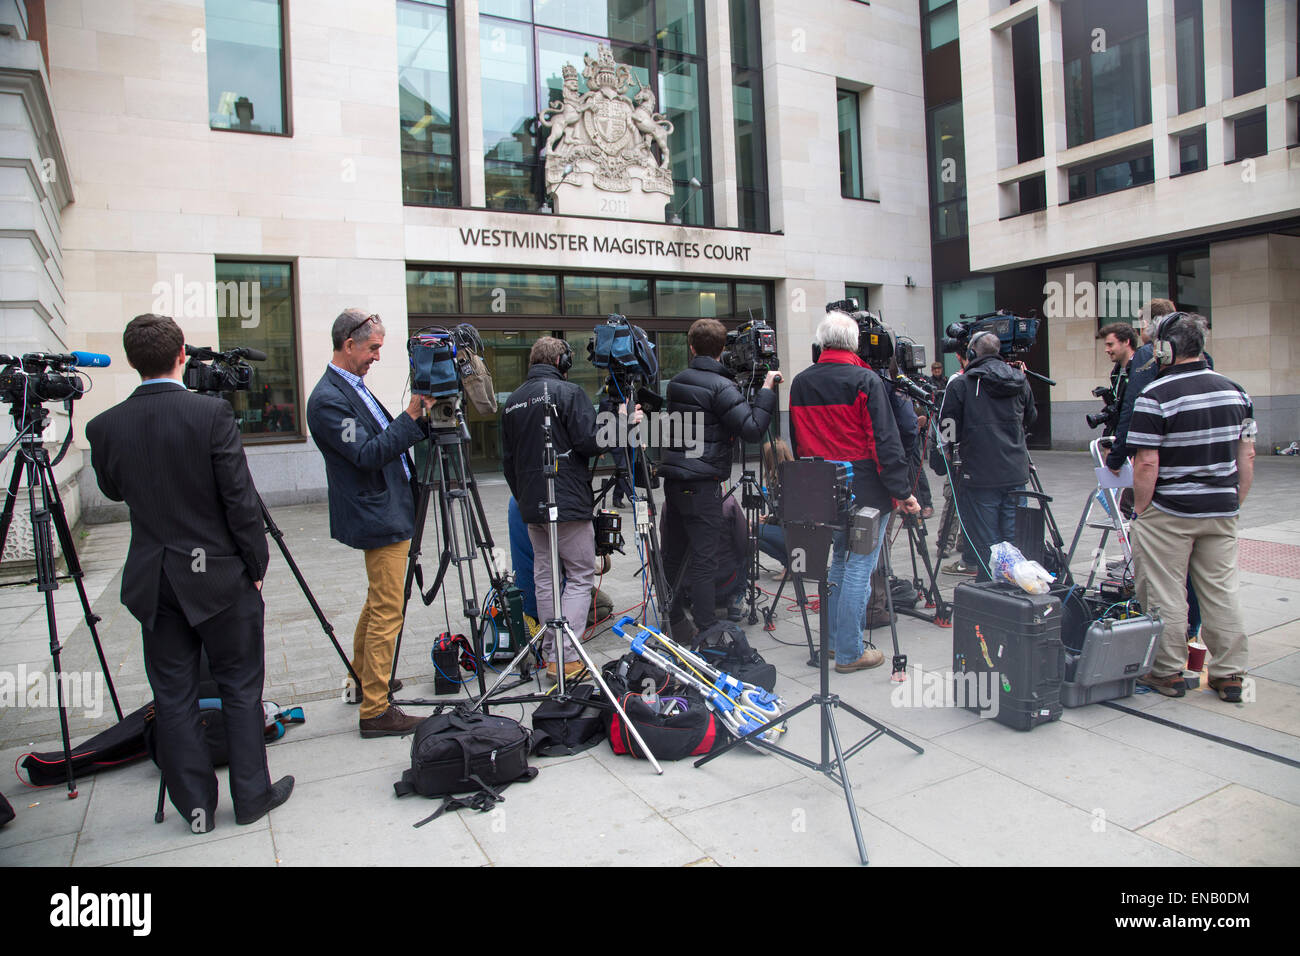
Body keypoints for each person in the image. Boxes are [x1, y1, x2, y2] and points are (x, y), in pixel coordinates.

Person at [86, 314, 292, 831]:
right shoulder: (211, 413)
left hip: (155, 580)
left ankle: (196, 810)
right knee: (241, 686)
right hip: (219, 575)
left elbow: (113, 491)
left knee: (173, 696)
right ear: (182, 352)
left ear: (133, 361)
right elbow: (239, 499)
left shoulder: (104, 425)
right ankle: (251, 798)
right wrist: (256, 563)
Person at [306, 309, 433, 737]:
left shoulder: (350, 388)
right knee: (387, 608)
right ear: (348, 345)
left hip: (387, 506)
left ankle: (364, 681)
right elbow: (366, 454)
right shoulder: (328, 400)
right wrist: (411, 417)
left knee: (377, 600)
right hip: (377, 513)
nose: (377, 356)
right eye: (373, 347)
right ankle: (376, 709)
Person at [1128, 312, 1254, 702]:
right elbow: (1246, 457)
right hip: (1221, 509)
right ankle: (1230, 673)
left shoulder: (1155, 396)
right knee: (1221, 590)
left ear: (1165, 349)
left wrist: (1142, 510)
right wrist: (1232, 502)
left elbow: (1146, 463)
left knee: (1165, 591)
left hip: (1169, 510)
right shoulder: (1237, 393)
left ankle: (1167, 672)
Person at [789, 312, 919, 672]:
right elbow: (884, 441)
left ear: (822, 342)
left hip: (821, 484)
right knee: (859, 566)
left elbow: (798, 440)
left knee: (839, 565)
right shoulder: (865, 379)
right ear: (854, 344)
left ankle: (834, 644)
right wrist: (902, 491)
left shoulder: (801, 382)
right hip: (864, 488)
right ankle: (849, 652)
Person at [659, 318, 779, 646]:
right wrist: (766, 390)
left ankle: (671, 617)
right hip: (702, 482)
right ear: (722, 349)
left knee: (674, 554)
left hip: (675, 480)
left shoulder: (677, 382)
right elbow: (753, 429)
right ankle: (707, 625)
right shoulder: (722, 386)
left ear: (691, 346)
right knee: (704, 557)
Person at [501, 337, 608, 681]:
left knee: (546, 577)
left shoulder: (513, 401)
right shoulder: (569, 393)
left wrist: (524, 497)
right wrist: (619, 422)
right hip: (568, 504)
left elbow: (508, 462)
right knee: (579, 574)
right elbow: (590, 442)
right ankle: (566, 656)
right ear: (562, 362)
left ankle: (551, 653)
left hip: (532, 504)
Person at [939, 330, 1036, 582]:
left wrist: (947, 452)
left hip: (980, 475)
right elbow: (1031, 417)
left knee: (986, 539)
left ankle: (990, 588)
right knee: (1013, 537)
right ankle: (1015, 586)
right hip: (1015, 470)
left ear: (972, 353)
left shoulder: (961, 383)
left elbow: (948, 426)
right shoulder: (1019, 380)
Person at [1094, 322, 1138, 437]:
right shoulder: (1116, 373)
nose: (1106, 350)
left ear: (1126, 342)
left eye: (1110, 345)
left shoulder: (1140, 371)